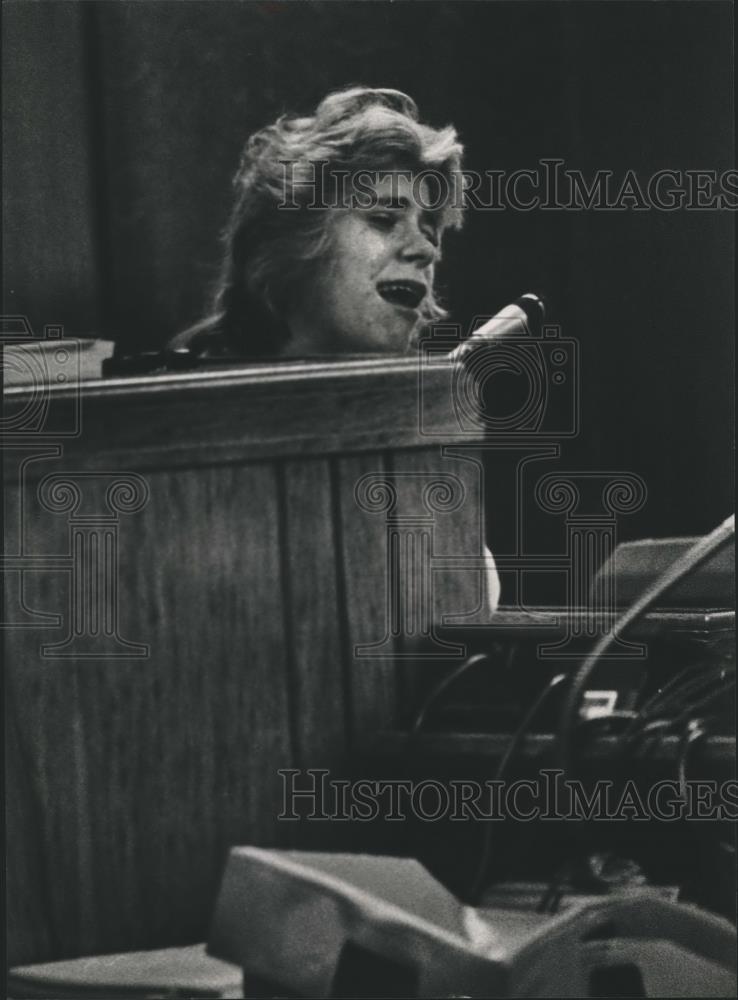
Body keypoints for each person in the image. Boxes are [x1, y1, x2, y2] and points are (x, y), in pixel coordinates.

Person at [169, 86, 464, 359]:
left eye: (429, 233)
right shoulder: (170, 410)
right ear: (289, 241)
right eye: (383, 220)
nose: (428, 251)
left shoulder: (437, 408)